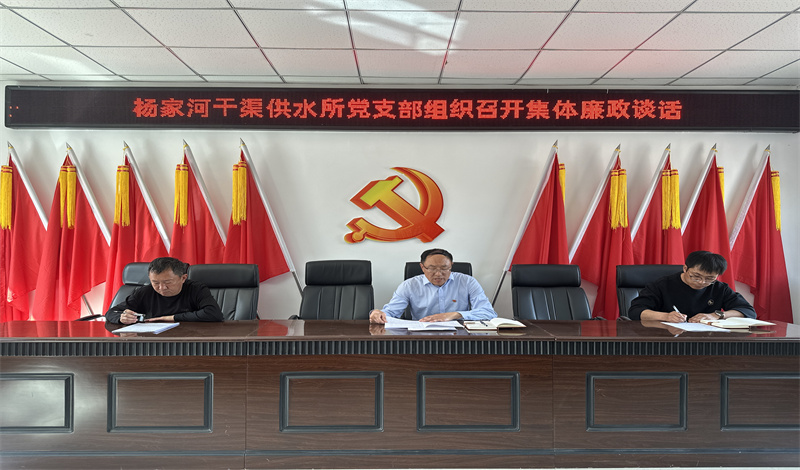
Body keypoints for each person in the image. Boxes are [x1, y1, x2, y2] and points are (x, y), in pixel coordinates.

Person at [369, 248, 497, 323]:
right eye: (432, 268)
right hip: (422, 337)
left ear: (451, 266)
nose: (438, 274)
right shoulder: (409, 285)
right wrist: (378, 313)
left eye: (444, 268)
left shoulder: (467, 282)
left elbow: (488, 313)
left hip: (460, 336)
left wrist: (455, 314)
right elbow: (391, 312)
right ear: (422, 267)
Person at [628, 250, 756, 322]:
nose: (702, 282)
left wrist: (717, 315)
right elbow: (635, 311)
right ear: (685, 268)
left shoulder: (719, 288)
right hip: (666, 338)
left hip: (705, 340)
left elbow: (748, 312)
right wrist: (666, 316)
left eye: (710, 279)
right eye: (696, 276)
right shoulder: (662, 285)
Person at [105, 257, 223, 324]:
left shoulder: (196, 289)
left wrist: (172, 318)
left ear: (183, 278)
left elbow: (214, 314)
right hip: (154, 342)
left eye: (168, 282)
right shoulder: (145, 292)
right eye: (155, 283)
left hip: (189, 340)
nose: (161, 288)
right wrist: (121, 318)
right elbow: (112, 312)